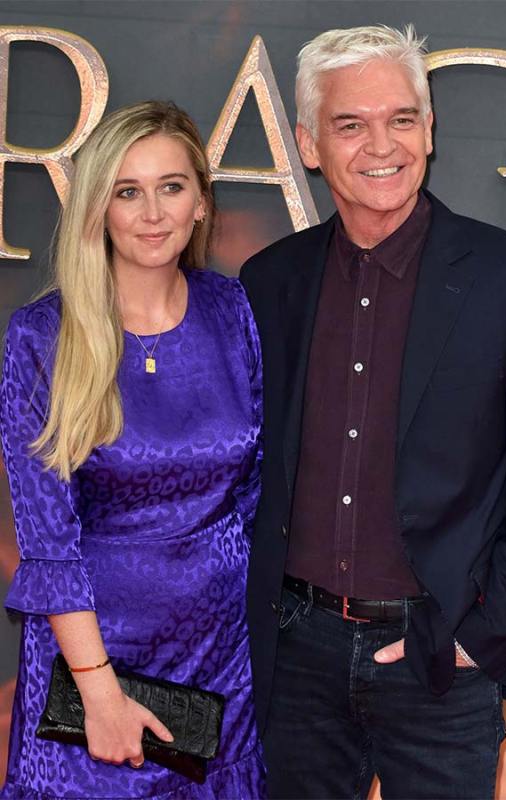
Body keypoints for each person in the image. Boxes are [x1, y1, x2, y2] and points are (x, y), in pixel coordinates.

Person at [240, 24, 506, 800]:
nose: (379, 145)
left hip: (437, 666)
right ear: (309, 143)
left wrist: (476, 638)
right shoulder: (270, 281)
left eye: (400, 119)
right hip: (296, 664)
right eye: (350, 124)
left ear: (429, 130)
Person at [0, 100, 265, 799]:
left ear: (202, 203)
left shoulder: (235, 313)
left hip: (221, 660)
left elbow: (258, 493)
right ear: (99, 210)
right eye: (127, 191)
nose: (152, 213)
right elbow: (47, 540)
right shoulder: (42, 339)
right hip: (95, 662)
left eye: (171, 187)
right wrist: (100, 694)